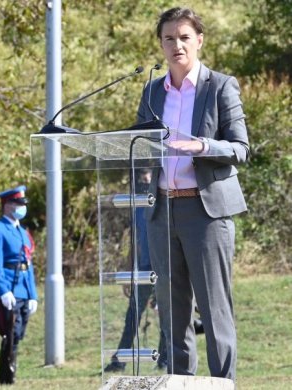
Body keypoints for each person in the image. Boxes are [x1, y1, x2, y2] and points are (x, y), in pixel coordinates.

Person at [137, 7, 249, 380]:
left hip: (206, 212)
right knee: (172, 314)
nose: (177, 45)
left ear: (199, 41)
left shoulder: (220, 86)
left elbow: (240, 148)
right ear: (161, 44)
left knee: (214, 311)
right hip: (161, 211)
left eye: (184, 37)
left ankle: (222, 385)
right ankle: (182, 384)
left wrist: (202, 147)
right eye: (169, 38)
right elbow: (139, 146)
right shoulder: (152, 90)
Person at [103, 169, 167, 373]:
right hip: (144, 268)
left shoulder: (164, 202)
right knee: (133, 314)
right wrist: (128, 272)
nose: (145, 183)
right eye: (142, 180)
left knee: (166, 315)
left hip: (164, 266)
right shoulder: (137, 207)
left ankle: (166, 359)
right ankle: (119, 360)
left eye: (149, 179)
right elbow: (135, 242)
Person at [0, 185, 38, 385]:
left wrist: (33, 294)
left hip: (24, 288)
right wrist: (3, 290)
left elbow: (29, 263)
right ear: (7, 205)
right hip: (10, 286)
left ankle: (10, 373)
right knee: (10, 333)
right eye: (18, 204)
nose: (21, 207)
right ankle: (6, 377)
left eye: (22, 204)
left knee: (18, 334)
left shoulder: (22, 231)